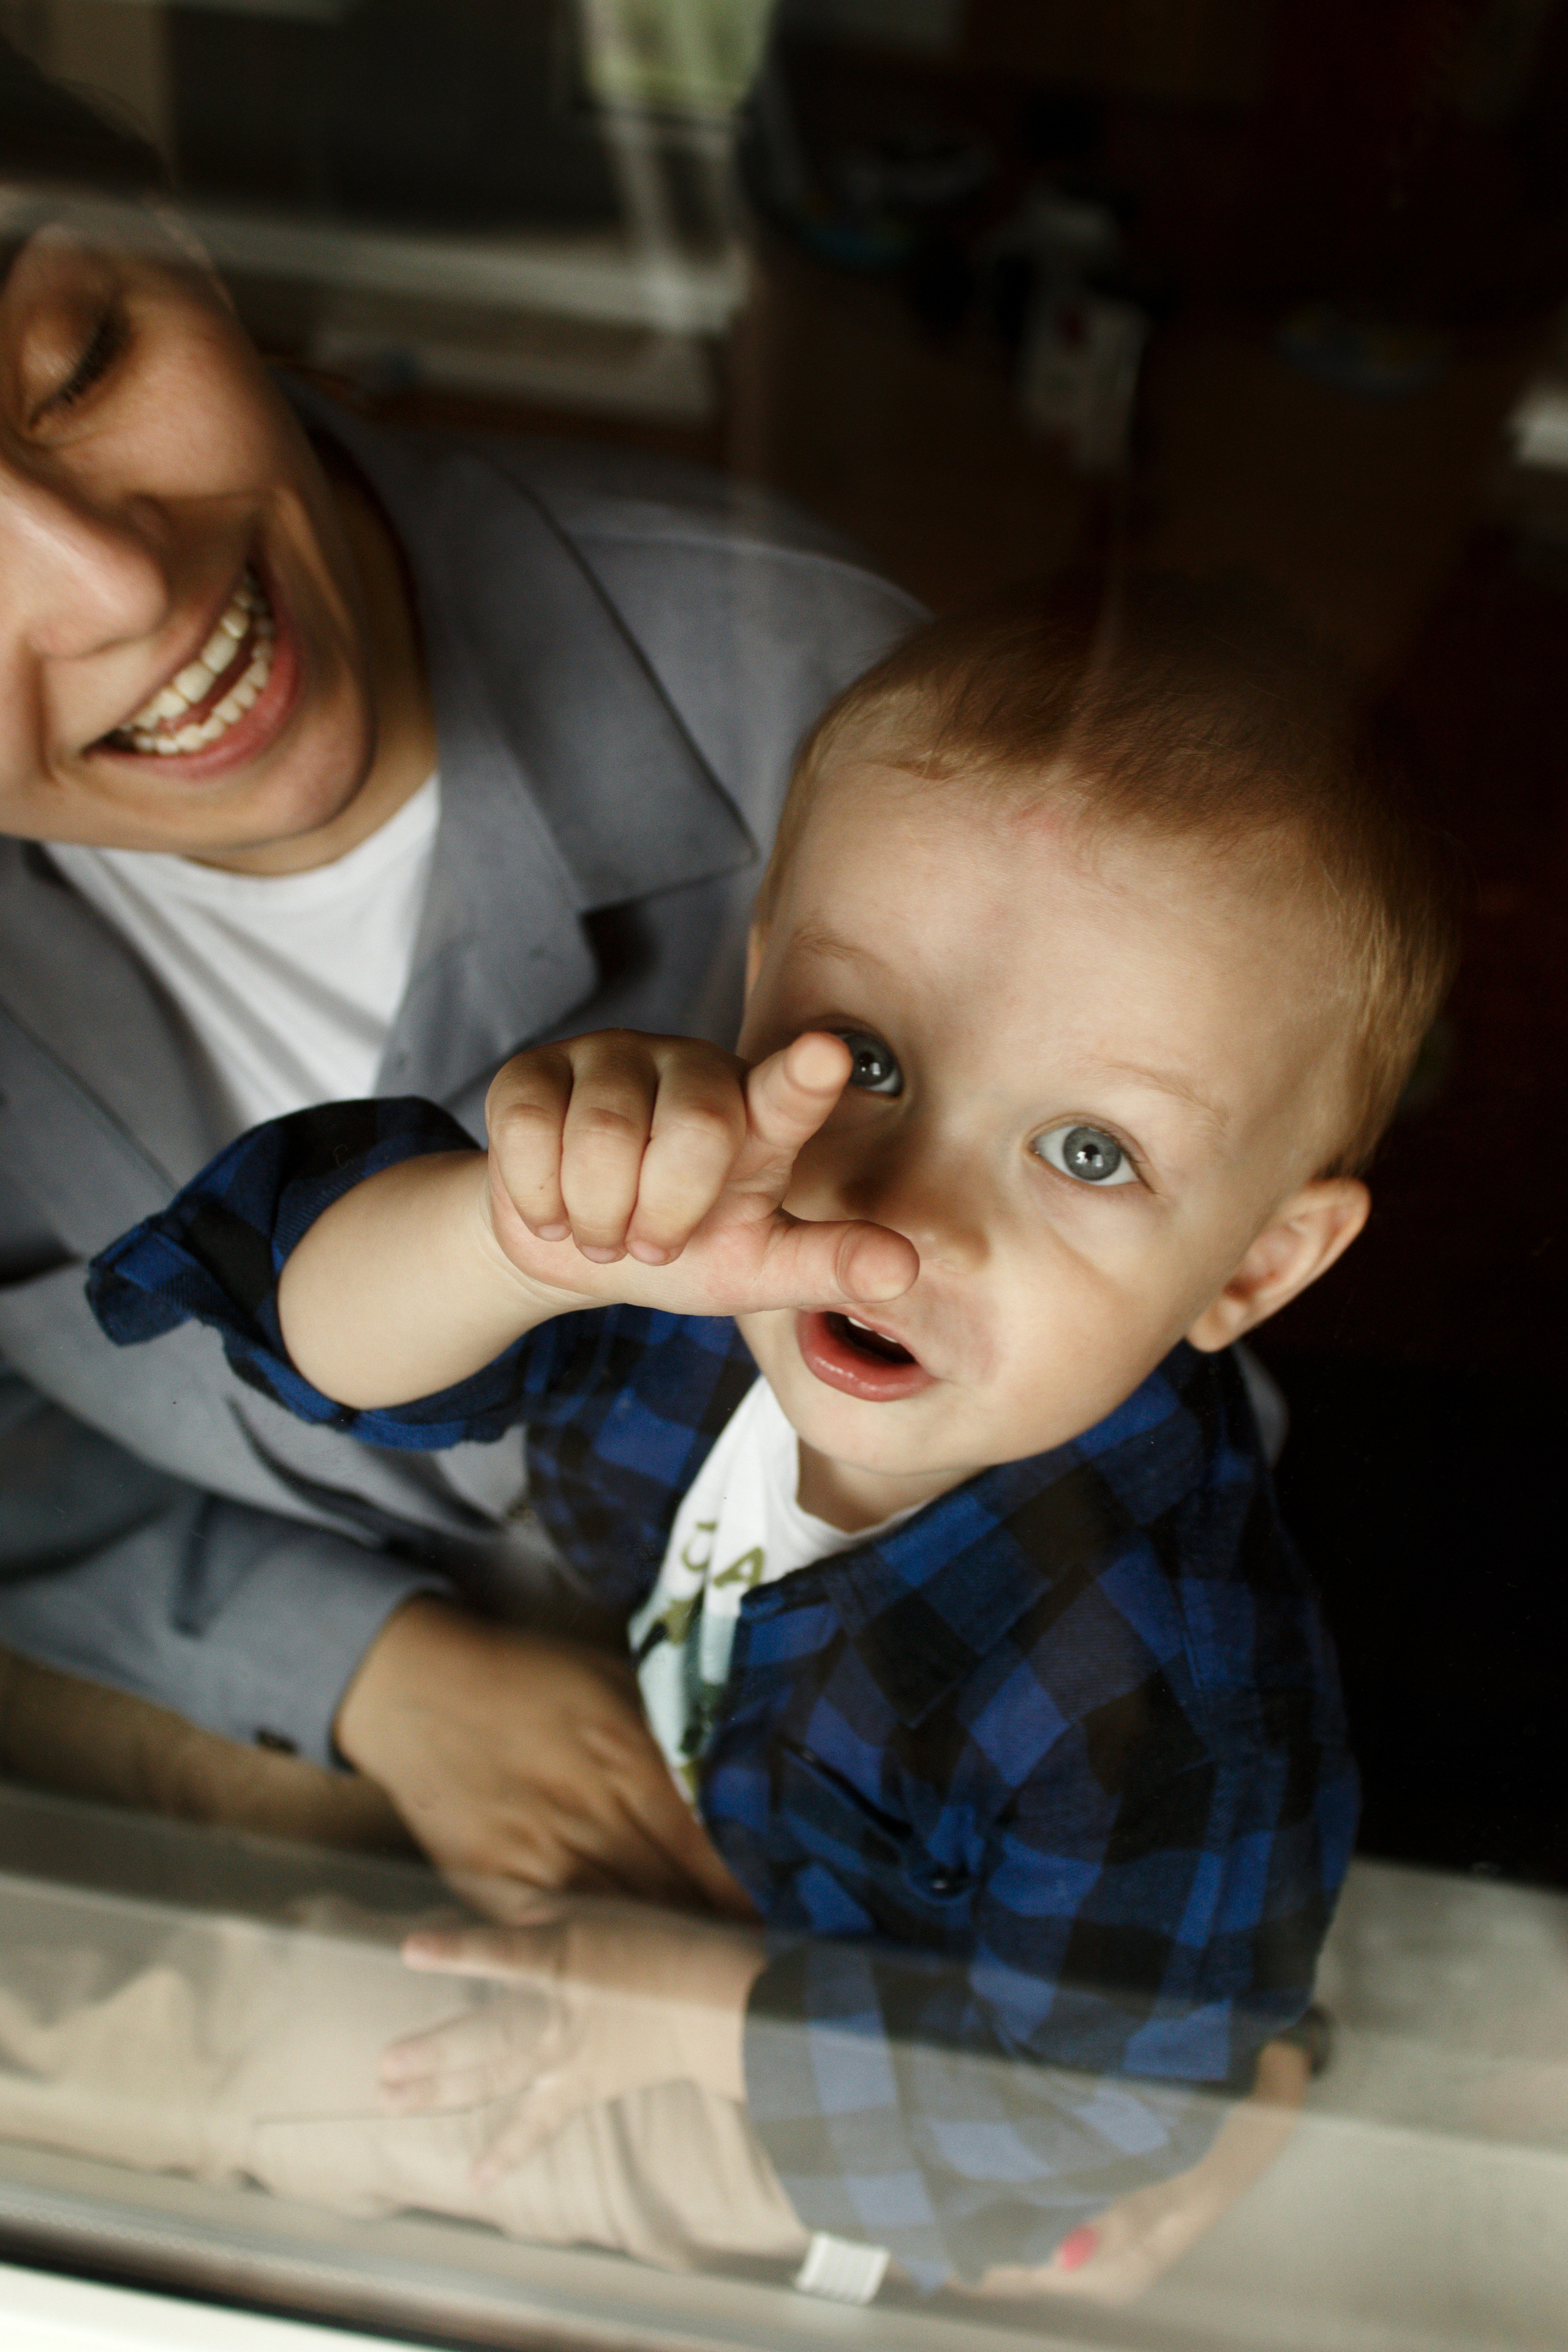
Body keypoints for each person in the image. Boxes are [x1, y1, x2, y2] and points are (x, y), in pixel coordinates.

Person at [87, 574, 1460, 2285]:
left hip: (836, 2093)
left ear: (1255, 1265)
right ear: (757, 989)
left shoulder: (1159, 1705)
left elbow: (1061, 2119)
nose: (904, 1215)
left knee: (232, 2050)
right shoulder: (715, 1241)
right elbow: (306, 1324)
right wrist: (513, 1242)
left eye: (1089, 1152)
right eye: (867, 1057)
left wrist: (672, 2011)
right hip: (706, 1793)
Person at [0, 37, 919, 1905]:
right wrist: (369, 1672)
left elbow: (1153, 1403)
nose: (118, 587)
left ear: (194, 243)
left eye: (80, 367)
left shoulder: (831, 715)